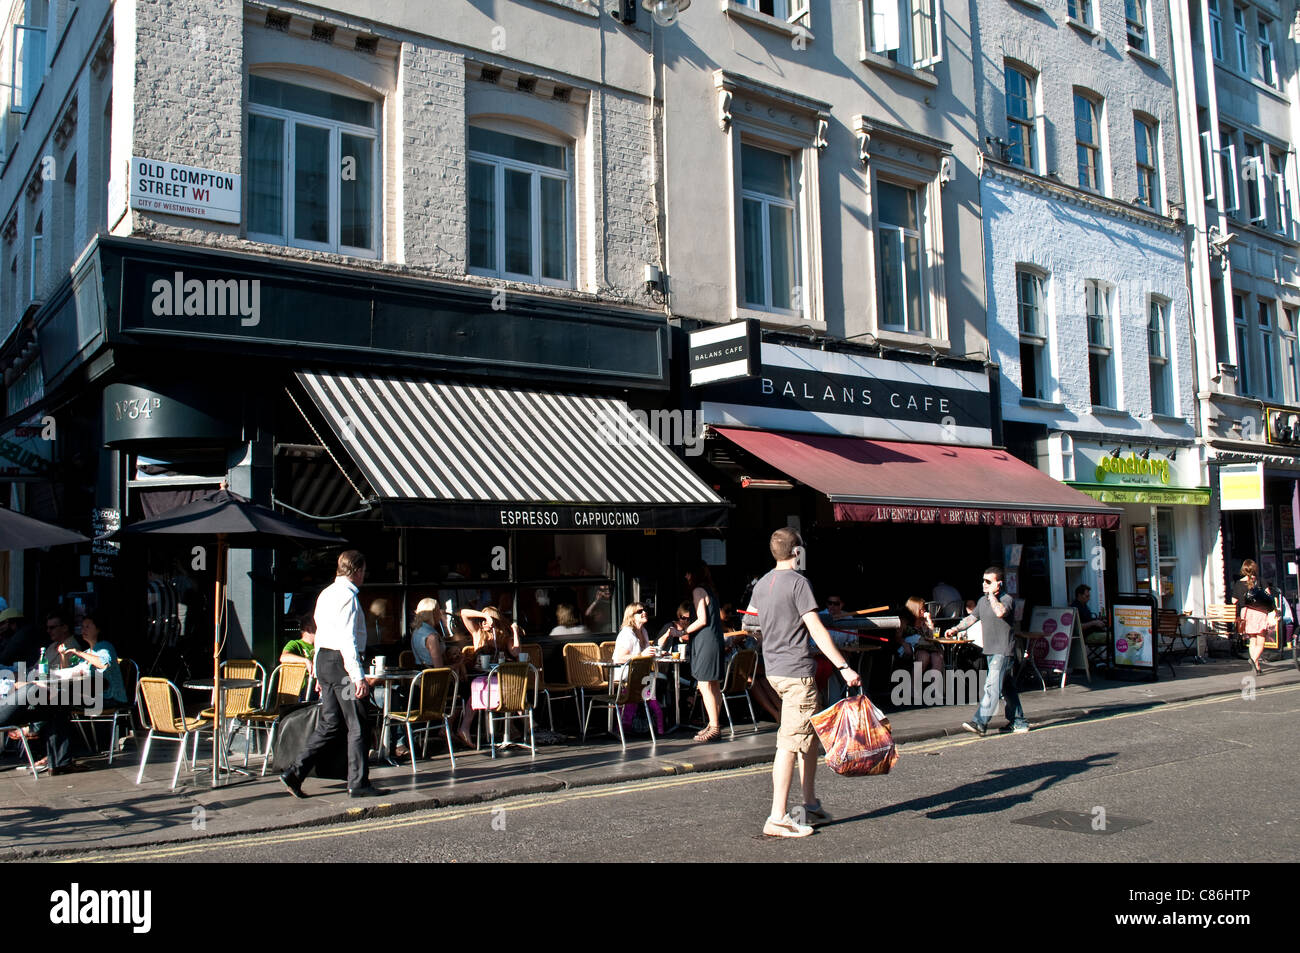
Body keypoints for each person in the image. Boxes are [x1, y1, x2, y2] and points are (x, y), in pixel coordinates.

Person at [744, 527, 860, 838]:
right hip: (798, 673)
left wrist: (771, 634)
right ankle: (777, 816)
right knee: (789, 743)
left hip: (776, 670)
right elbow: (817, 630)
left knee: (808, 736)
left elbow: (750, 625)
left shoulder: (762, 583)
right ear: (798, 552)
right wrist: (844, 667)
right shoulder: (799, 583)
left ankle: (809, 804)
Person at [281, 550, 384, 799]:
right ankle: (358, 783)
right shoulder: (348, 597)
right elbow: (347, 639)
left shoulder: (326, 594)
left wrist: (318, 673)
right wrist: (358, 676)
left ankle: (295, 772)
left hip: (325, 661)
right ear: (357, 571)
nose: (364, 576)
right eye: (364, 571)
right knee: (358, 723)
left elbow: (321, 636)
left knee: (330, 723)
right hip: (342, 664)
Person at [948, 567, 1028, 736]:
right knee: (1008, 688)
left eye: (988, 582)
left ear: (999, 584)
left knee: (991, 687)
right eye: (983, 580)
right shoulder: (982, 601)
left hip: (1003, 651)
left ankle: (980, 722)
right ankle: (1019, 722)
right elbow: (972, 618)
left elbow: (1000, 612)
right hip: (991, 651)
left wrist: (992, 595)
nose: (984, 584)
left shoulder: (1006, 599)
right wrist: (955, 628)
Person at [456, 606, 522, 747]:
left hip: (497, 676)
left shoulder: (502, 637)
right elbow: (463, 613)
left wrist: (515, 633)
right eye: (482, 621)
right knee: (484, 686)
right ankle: (515, 725)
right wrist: (484, 615)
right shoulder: (478, 633)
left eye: (487, 621)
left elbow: (516, 653)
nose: (484, 624)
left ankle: (512, 726)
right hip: (478, 675)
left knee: (510, 683)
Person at [684, 562, 726, 742]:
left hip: (705, 641)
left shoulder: (698, 591)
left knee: (703, 684)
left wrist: (683, 631)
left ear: (693, 575)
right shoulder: (711, 591)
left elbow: (702, 619)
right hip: (715, 640)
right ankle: (713, 723)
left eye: (687, 574)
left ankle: (714, 727)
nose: (686, 577)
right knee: (713, 684)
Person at [611, 603, 665, 734]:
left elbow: (646, 653)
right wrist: (641, 654)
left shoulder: (643, 631)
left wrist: (658, 653)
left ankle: (659, 728)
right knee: (654, 686)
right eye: (639, 611)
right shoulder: (627, 633)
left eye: (645, 610)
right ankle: (629, 727)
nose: (644, 612)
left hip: (641, 675)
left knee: (661, 680)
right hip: (627, 675)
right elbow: (619, 657)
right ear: (631, 616)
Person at [1233, 561, 1274, 674]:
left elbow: (1233, 601)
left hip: (1246, 613)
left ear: (1243, 569)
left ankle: (1257, 666)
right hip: (1260, 612)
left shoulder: (1238, 583)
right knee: (1261, 641)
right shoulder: (1260, 580)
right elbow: (1268, 596)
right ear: (1254, 569)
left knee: (1252, 640)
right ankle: (1254, 659)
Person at [899, 596, 944, 675]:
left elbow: (933, 637)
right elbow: (898, 636)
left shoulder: (923, 621)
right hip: (912, 647)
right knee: (923, 657)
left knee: (938, 658)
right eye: (922, 608)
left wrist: (929, 621)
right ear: (915, 609)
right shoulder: (905, 620)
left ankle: (935, 686)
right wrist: (904, 644)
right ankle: (914, 685)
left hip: (927, 646)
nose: (924, 610)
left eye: (924, 608)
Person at [410, 598, 451, 668]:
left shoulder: (416, 631)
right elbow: (439, 669)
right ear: (433, 613)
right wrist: (458, 665)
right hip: (433, 676)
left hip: (420, 673)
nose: (441, 613)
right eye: (438, 610)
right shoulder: (432, 636)